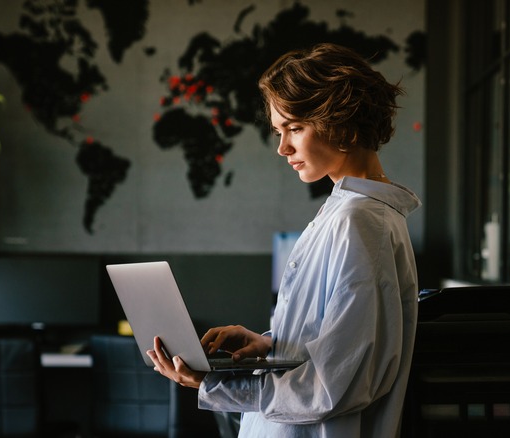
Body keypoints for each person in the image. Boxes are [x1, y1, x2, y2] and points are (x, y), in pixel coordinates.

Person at [147, 42, 421, 437]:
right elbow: (337, 340)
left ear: (341, 121)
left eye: (295, 128)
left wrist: (214, 385)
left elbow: (336, 383)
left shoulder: (361, 222)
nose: (283, 147)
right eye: (279, 131)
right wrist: (270, 344)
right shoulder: (348, 213)